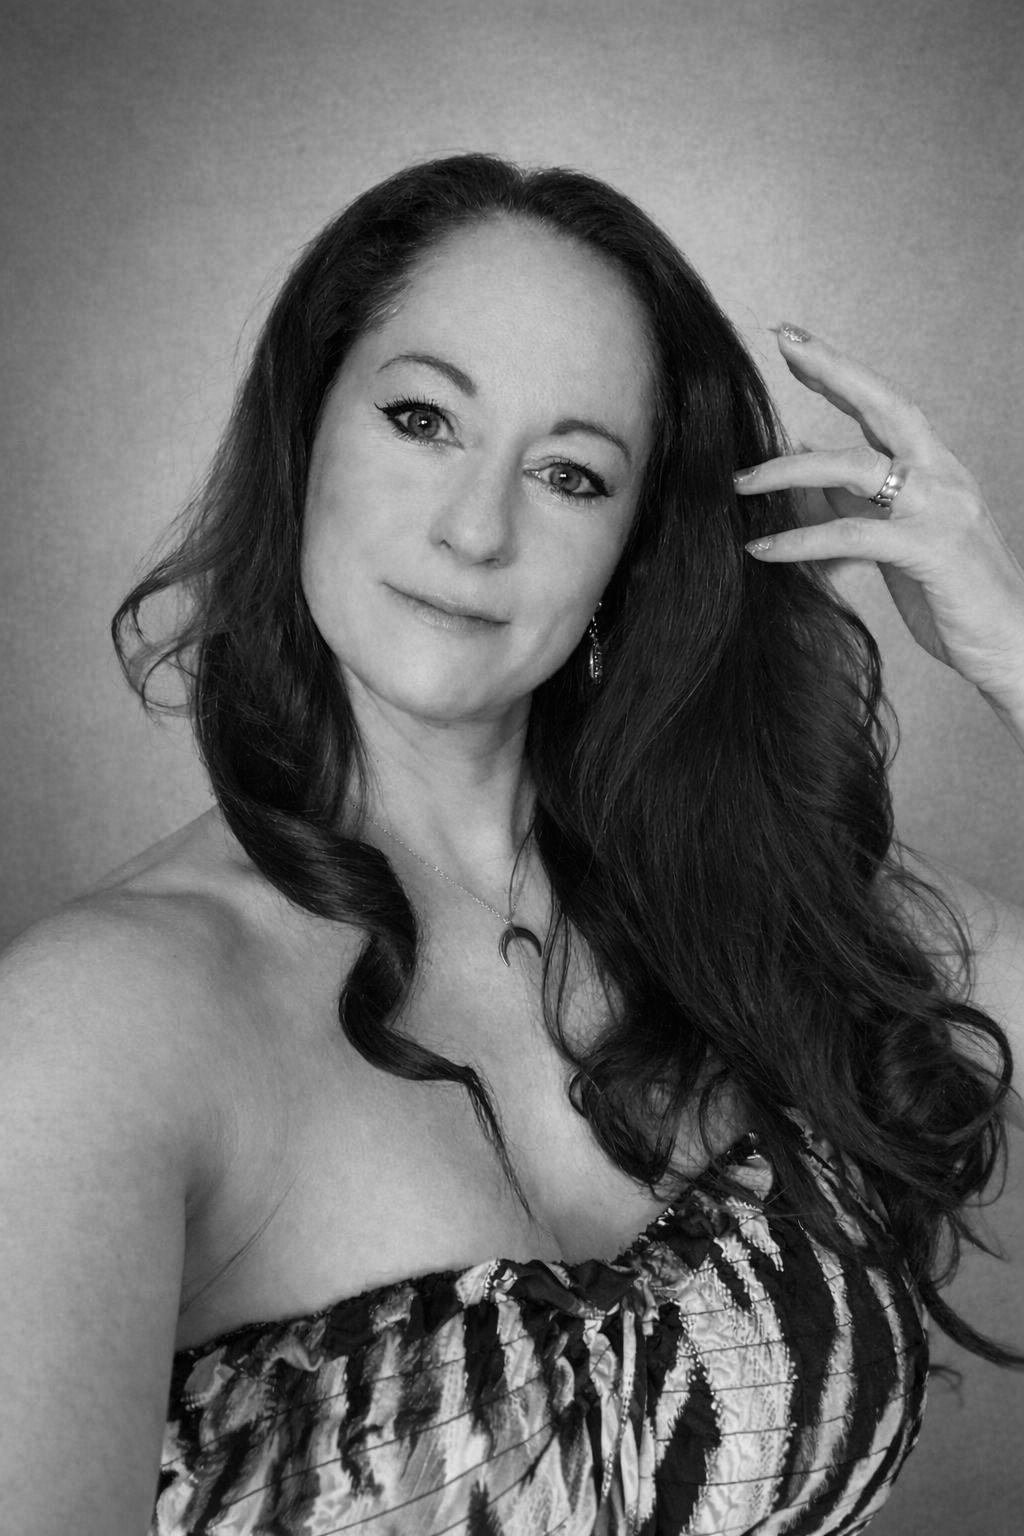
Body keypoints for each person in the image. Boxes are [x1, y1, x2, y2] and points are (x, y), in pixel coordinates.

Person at [2, 153, 1023, 1536]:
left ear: (633, 549)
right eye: (423, 418)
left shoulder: (752, 887)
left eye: (570, 474)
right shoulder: (94, 1025)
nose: (478, 528)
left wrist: (1013, 649)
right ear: (304, 437)